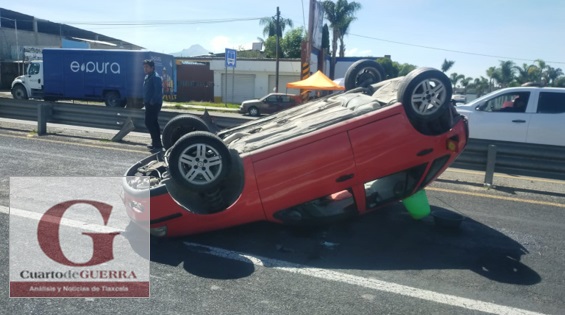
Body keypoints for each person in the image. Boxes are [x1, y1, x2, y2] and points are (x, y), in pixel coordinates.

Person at [143, 59, 163, 151]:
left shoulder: (155, 77)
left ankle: (157, 145)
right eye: (144, 67)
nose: (145, 68)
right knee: (153, 123)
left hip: (154, 104)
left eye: (147, 67)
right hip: (149, 103)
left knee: (149, 122)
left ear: (152, 67)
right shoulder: (148, 76)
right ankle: (155, 142)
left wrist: (152, 101)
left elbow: (158, 91)